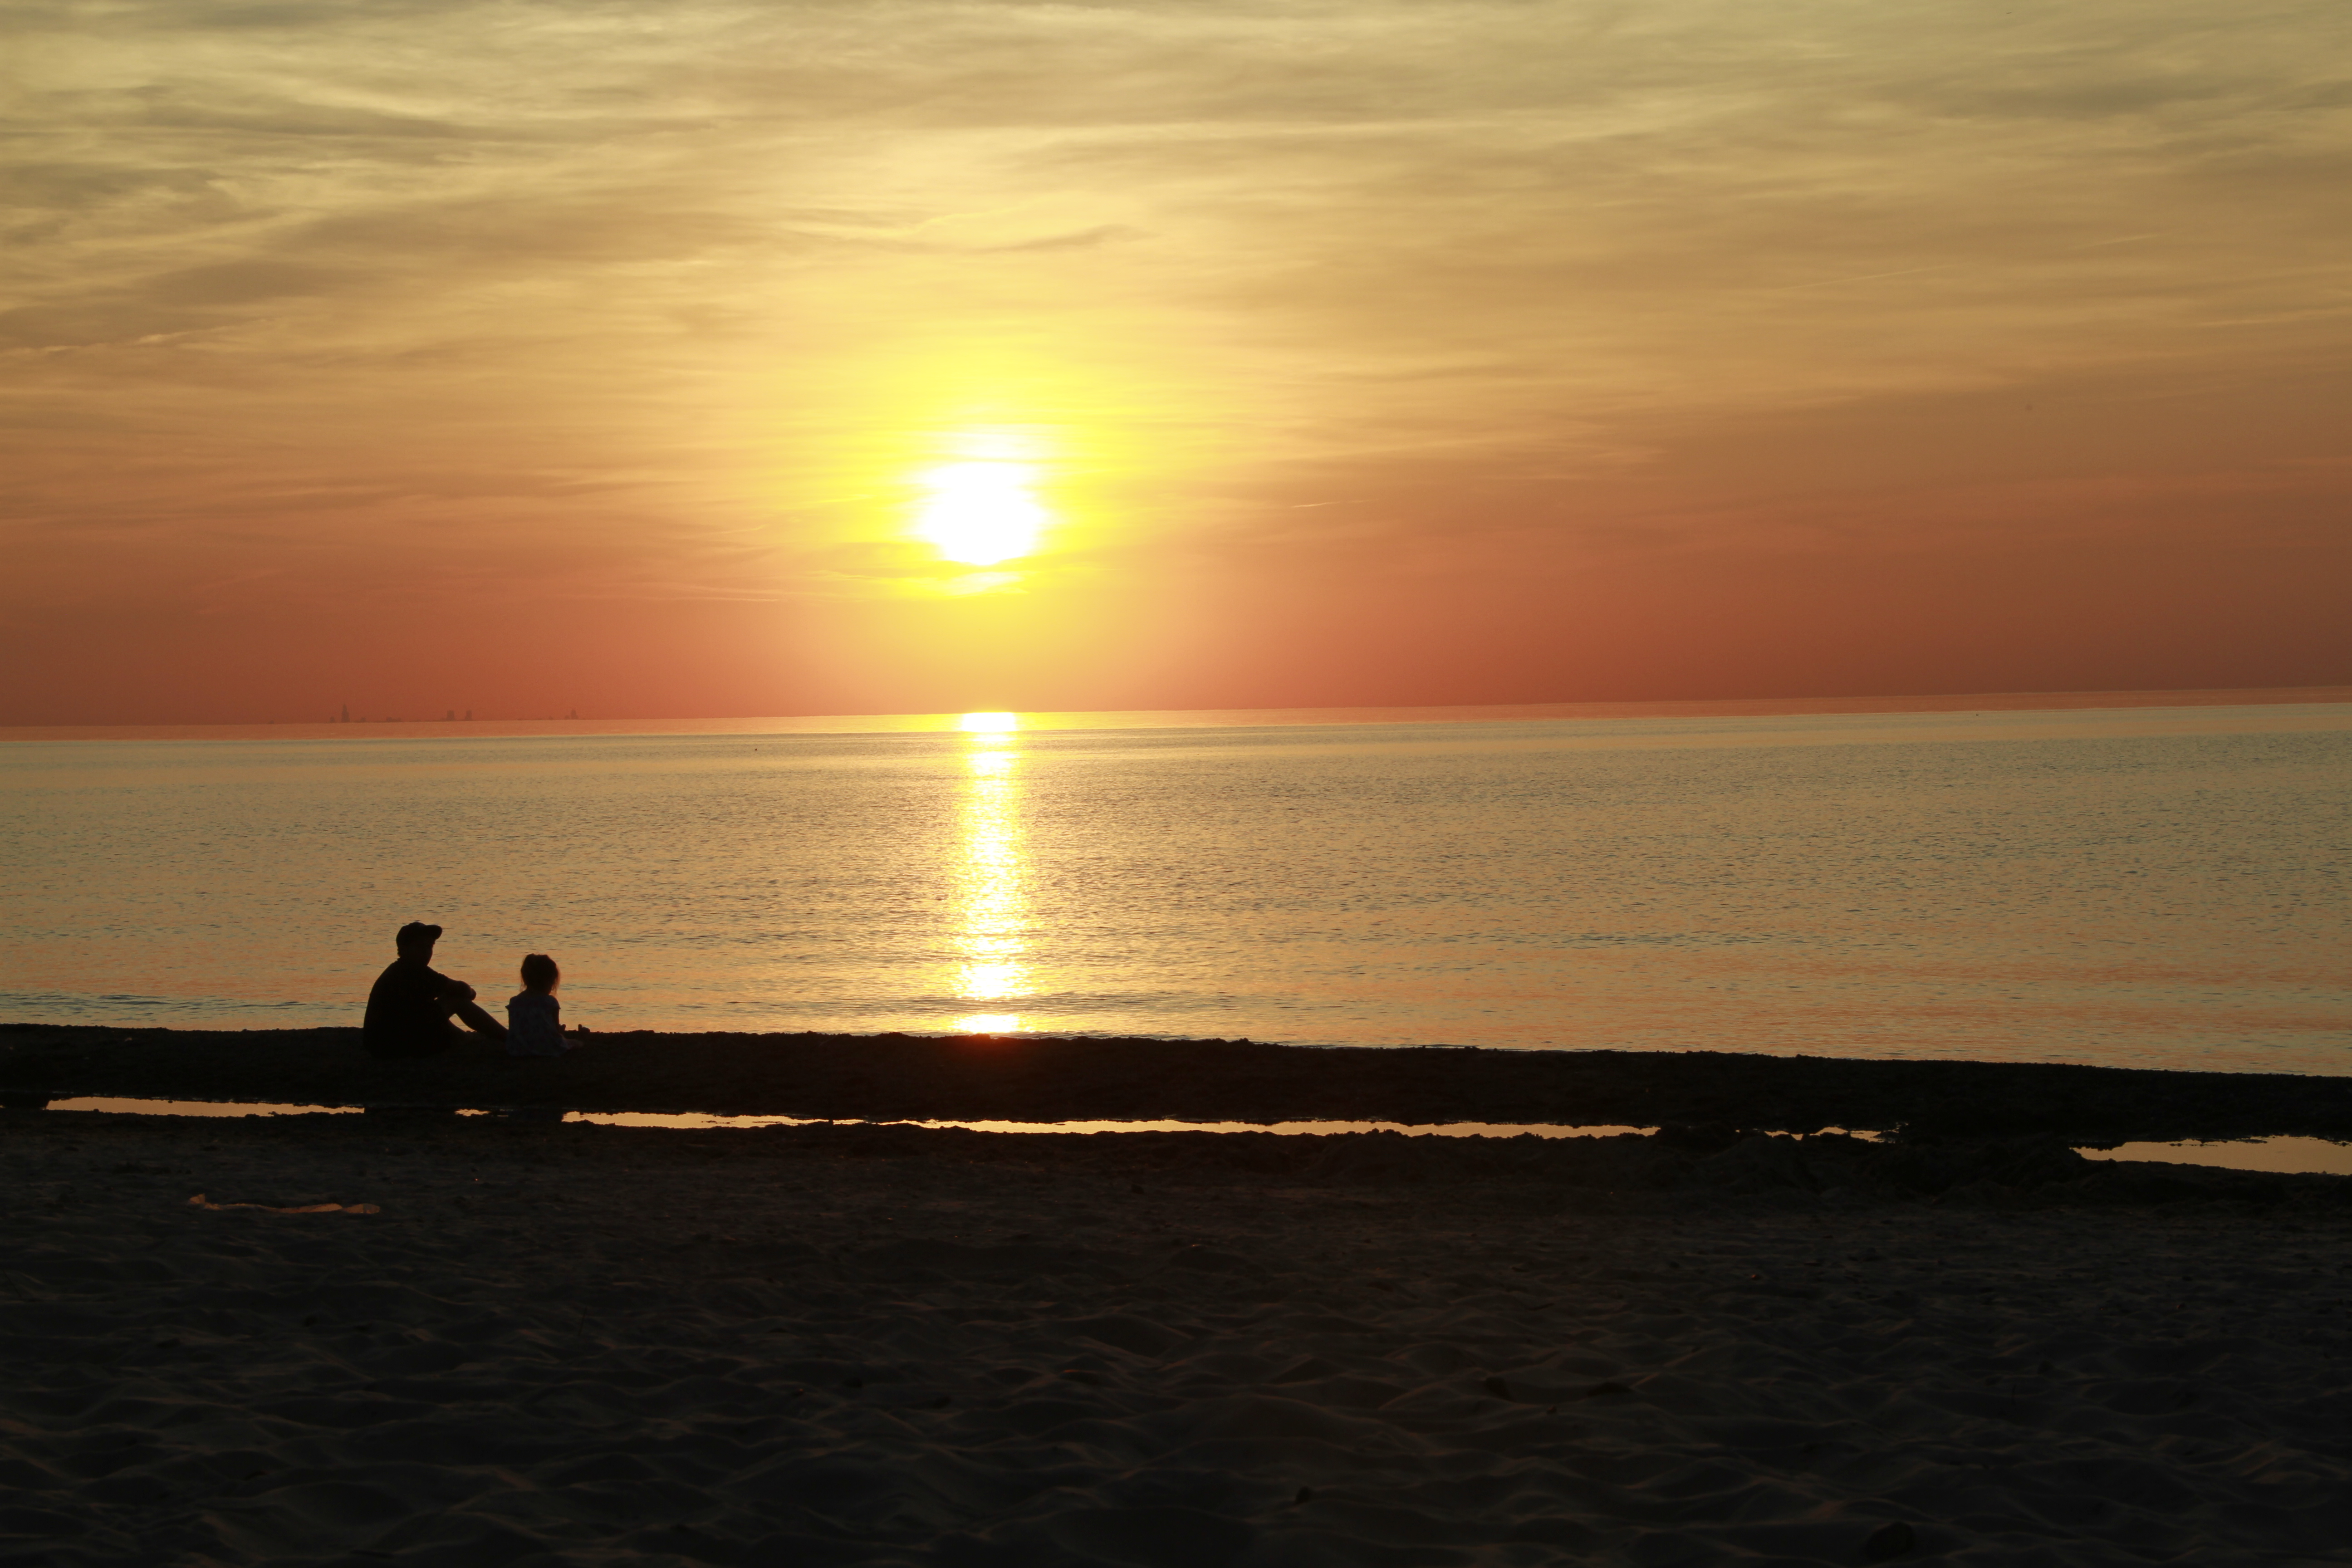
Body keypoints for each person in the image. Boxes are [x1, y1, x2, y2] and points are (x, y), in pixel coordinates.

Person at [362, 921, 508, 1058]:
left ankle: (466, 1040)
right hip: (393, 1046)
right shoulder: (414, 971)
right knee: (456, 1001)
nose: (426, 953)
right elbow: (461, 990)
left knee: (432, 1008)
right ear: (404, 949)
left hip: (381, 1045)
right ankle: (510, 1039)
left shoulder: (398, 970)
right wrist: (470, 992)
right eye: (420, 947)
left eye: (430, 947)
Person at [505, 952, 587, 1058]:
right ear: (549, 981)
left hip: (517, 1050)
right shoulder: (550, 1002)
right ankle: (584, 1038)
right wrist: (561, 1033)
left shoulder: (515, 1002)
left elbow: (516, 1030)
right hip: (547, 1048)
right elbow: (556, 1033)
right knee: (576, 1043)